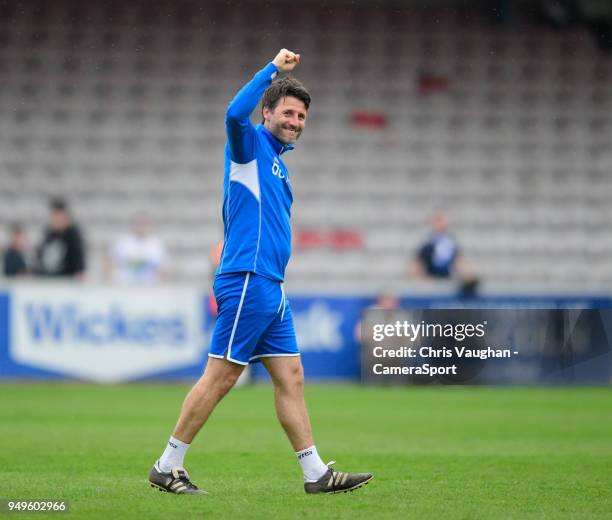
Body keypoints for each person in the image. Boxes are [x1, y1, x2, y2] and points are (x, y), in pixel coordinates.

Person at [148, 49, 372, 496]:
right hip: (246, 279)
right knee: (222, 376)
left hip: (271, 286)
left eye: (302, 115)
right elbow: (233, 112)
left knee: (291, 377)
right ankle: (167, 465)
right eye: (287, 112)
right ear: (266, 112)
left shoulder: (278, 166)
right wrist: (272, 70)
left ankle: (315, 474)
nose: (295, 121)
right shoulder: (248, 147)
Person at [107, 215, 167, 284]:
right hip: (124, 284)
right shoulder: (123, 241)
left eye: (145, 224)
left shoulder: (157, 244)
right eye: (139, 224)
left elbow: (163, 268)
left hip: (149, 287)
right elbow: (109, 262)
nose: (142, 227)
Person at [36, 198, 86, 279]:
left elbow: (78, 260)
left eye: (59, 215)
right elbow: (41, 257)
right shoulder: (48, 234)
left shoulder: (73, 235)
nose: (56, 219)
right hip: (48, 280)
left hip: (66, 281)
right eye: (54, 215)